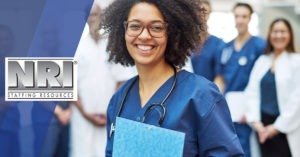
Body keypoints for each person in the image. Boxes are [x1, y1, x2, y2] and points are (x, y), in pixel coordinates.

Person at [102, 0, 244, 156]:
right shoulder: (119, 99)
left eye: (156, 27)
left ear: (173, 33)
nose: (144, 35)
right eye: (135, 26)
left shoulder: (200, 95)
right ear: (123, 31)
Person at [71, 3, 134, 157]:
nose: (92, 19)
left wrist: (110, 110)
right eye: (89, 15)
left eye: (95, 15)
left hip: (109, 117)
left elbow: (123, 80)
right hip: (81, 117)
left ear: (103, 16)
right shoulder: (77, 47)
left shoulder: (114, 45)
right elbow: (68, 87)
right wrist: (86, 113)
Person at [214, 3, 266, 156]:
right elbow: (220, 77)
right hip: (229, 105)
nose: (240, 20)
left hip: (250, 106)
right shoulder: (225, 48)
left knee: (246, 147)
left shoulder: (259, 45)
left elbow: (263, 80)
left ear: (250, 19)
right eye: (237, 16)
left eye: (244, 16)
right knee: (228, 144)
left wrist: (251, 110)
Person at [245, 18, 300, 157]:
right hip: (262, 128)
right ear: (269, 35)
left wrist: (276, 127)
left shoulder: (296, 61)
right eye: (275, 31)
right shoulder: (262, 61)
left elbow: (297, 98)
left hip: (286, 128)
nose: (279, 35)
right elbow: (252, 92)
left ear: (290, 35)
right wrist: (256, 123)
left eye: (283, 31)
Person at [191, 0, 225, 81]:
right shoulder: (185, 43)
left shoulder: (218, 44)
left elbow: (219, 76)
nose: (202, 15)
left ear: (209, 14)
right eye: (199, 11)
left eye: (205, 12)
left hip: (207, 90)